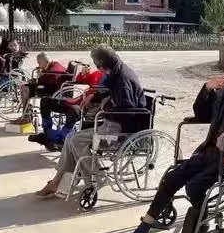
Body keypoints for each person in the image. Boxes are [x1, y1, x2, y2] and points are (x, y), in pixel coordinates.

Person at [111, 47, 224, 233]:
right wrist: (207, 88)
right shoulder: (223, 90)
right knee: (172, 177)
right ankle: (141, 232)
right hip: (211, 151)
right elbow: (201, 114)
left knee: (194, 186)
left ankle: (201, 215)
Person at [35, 45, 146, 198]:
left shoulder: (122, 79)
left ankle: (97, 177)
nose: (96, 67)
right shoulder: (116, 70)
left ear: (102, 63)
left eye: (96, 63)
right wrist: (94, 96)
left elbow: (128, 109)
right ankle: (58, 180)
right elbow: (107, 89)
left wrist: (105, 107)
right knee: (70, 138)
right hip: (113, 123)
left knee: (76, 140)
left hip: (121, 129)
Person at [28, 62, 105, 150]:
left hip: (90, 106)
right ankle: (47, 133)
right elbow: (79, 80)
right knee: (45, 101)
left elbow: (106, 93)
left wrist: (94, 95)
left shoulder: (110, 78)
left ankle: (61, 138)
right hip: (78, 100)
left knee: (74, 111)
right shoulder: (96, 74)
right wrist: (83, 73)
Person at [10, 53, 67, 125]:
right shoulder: (54, 65)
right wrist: (39, 77)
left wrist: (39, 77)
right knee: (25, 87)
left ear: (45, 62)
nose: (39, 65)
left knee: (25, 89)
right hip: (52, 87)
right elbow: (46, 80)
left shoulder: (53, 69)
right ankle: (26, 114)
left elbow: (49, 81)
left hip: (52, 90)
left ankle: (26, 115)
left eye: (39, 63)